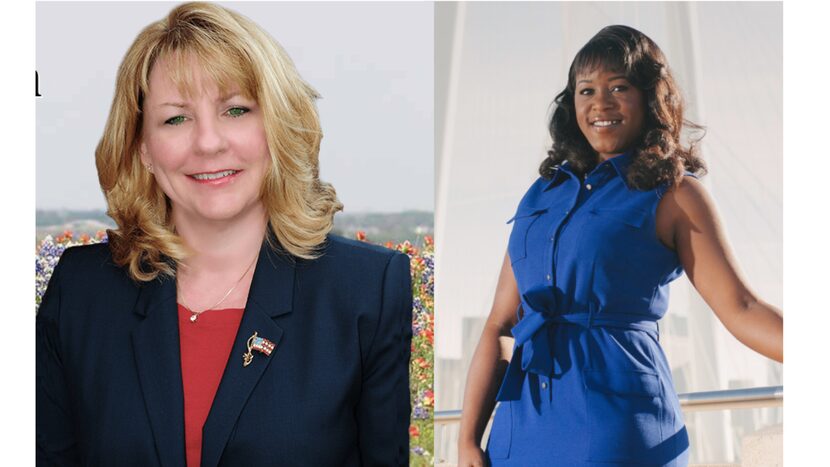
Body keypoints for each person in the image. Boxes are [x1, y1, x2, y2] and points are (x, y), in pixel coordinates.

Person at [36, 3, 412, 466]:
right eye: (176, 118)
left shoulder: (365, 290)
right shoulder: (80, 292)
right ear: (144, 148)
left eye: (236, 110)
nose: (209, 142)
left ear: (276, 125)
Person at [457, 25, 783, 467]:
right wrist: (468, 442)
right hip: (520, 430)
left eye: (619, 87)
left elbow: (741, 307)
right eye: (586, 90)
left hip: (619, 425)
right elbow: (499, 326)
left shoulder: (675, 194)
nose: (600, 103)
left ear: (650, 98)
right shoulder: (540, 194)